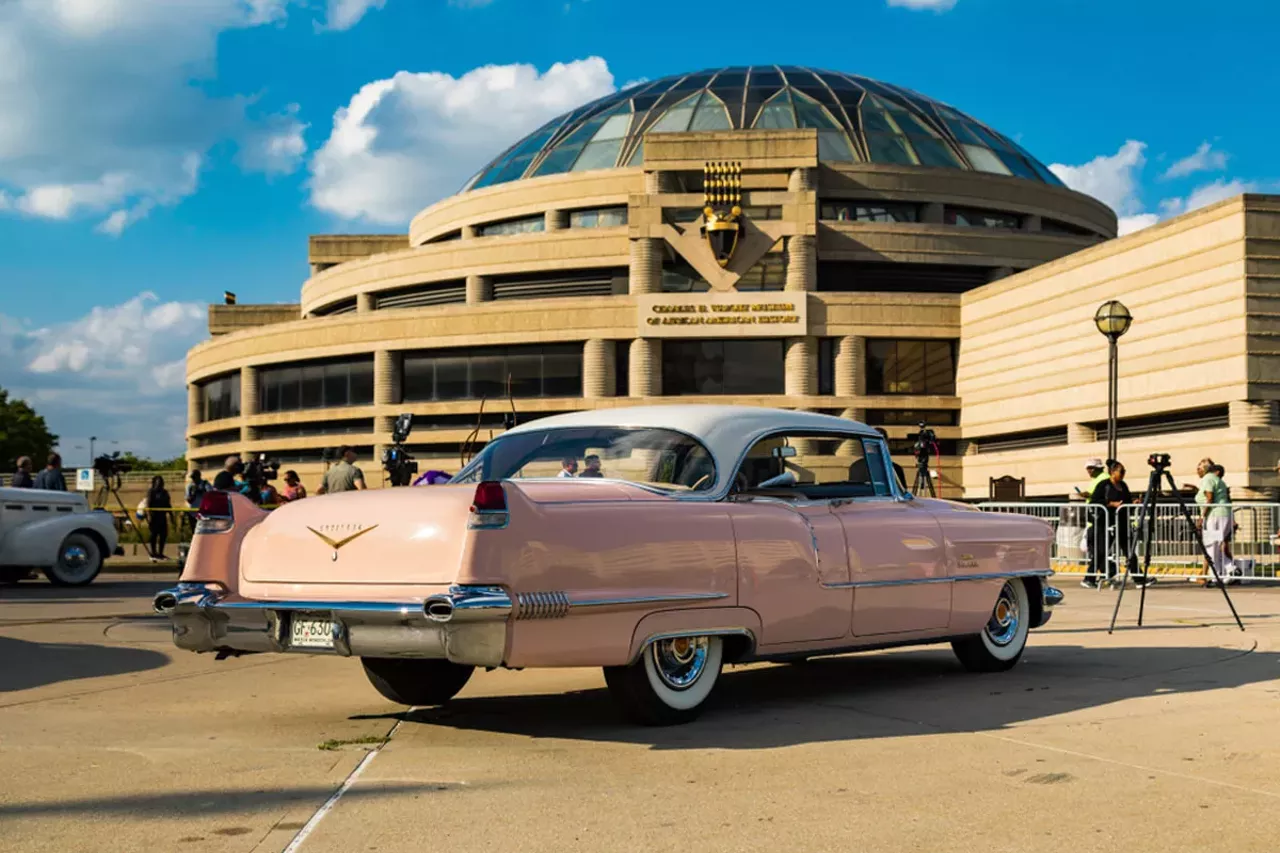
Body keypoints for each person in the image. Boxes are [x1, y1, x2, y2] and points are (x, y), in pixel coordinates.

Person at [1195, 457, 1236, 586]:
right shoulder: (1218, 481)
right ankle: (1231, 569)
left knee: (1212, 546)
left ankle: (1216, 577)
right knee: (1218, 546)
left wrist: (1202, 516)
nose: (1198, 470)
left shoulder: (1209, 478)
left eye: (1200, 467)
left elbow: (1209, 498)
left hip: (1215, 515)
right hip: (1222, 514)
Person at [1079, 457, 1109, 589]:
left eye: (1091, 468)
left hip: (1100, 519)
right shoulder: (1095, 480)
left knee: (1098, 551)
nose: (1089, 471)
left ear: (1098, 468)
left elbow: (1099, 496)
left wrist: (1089, 495)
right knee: (1096, 550)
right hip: (1093, 519)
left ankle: (1091, 577)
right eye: (1088, 469)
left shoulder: (1103, 478)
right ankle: (1106, 574)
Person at [145, 475, 172, 562]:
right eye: (158, 483)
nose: (160, 484)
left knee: (163, 535)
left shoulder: (165, 492)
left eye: (161, 483)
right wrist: (149, 515)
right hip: (154, 517)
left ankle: (160, 553)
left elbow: (168, 505)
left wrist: (171, 515)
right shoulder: (151, 492)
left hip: (162, 517)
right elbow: (148, 504)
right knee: (154, 535)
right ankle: (153, 553)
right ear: (154, 483)